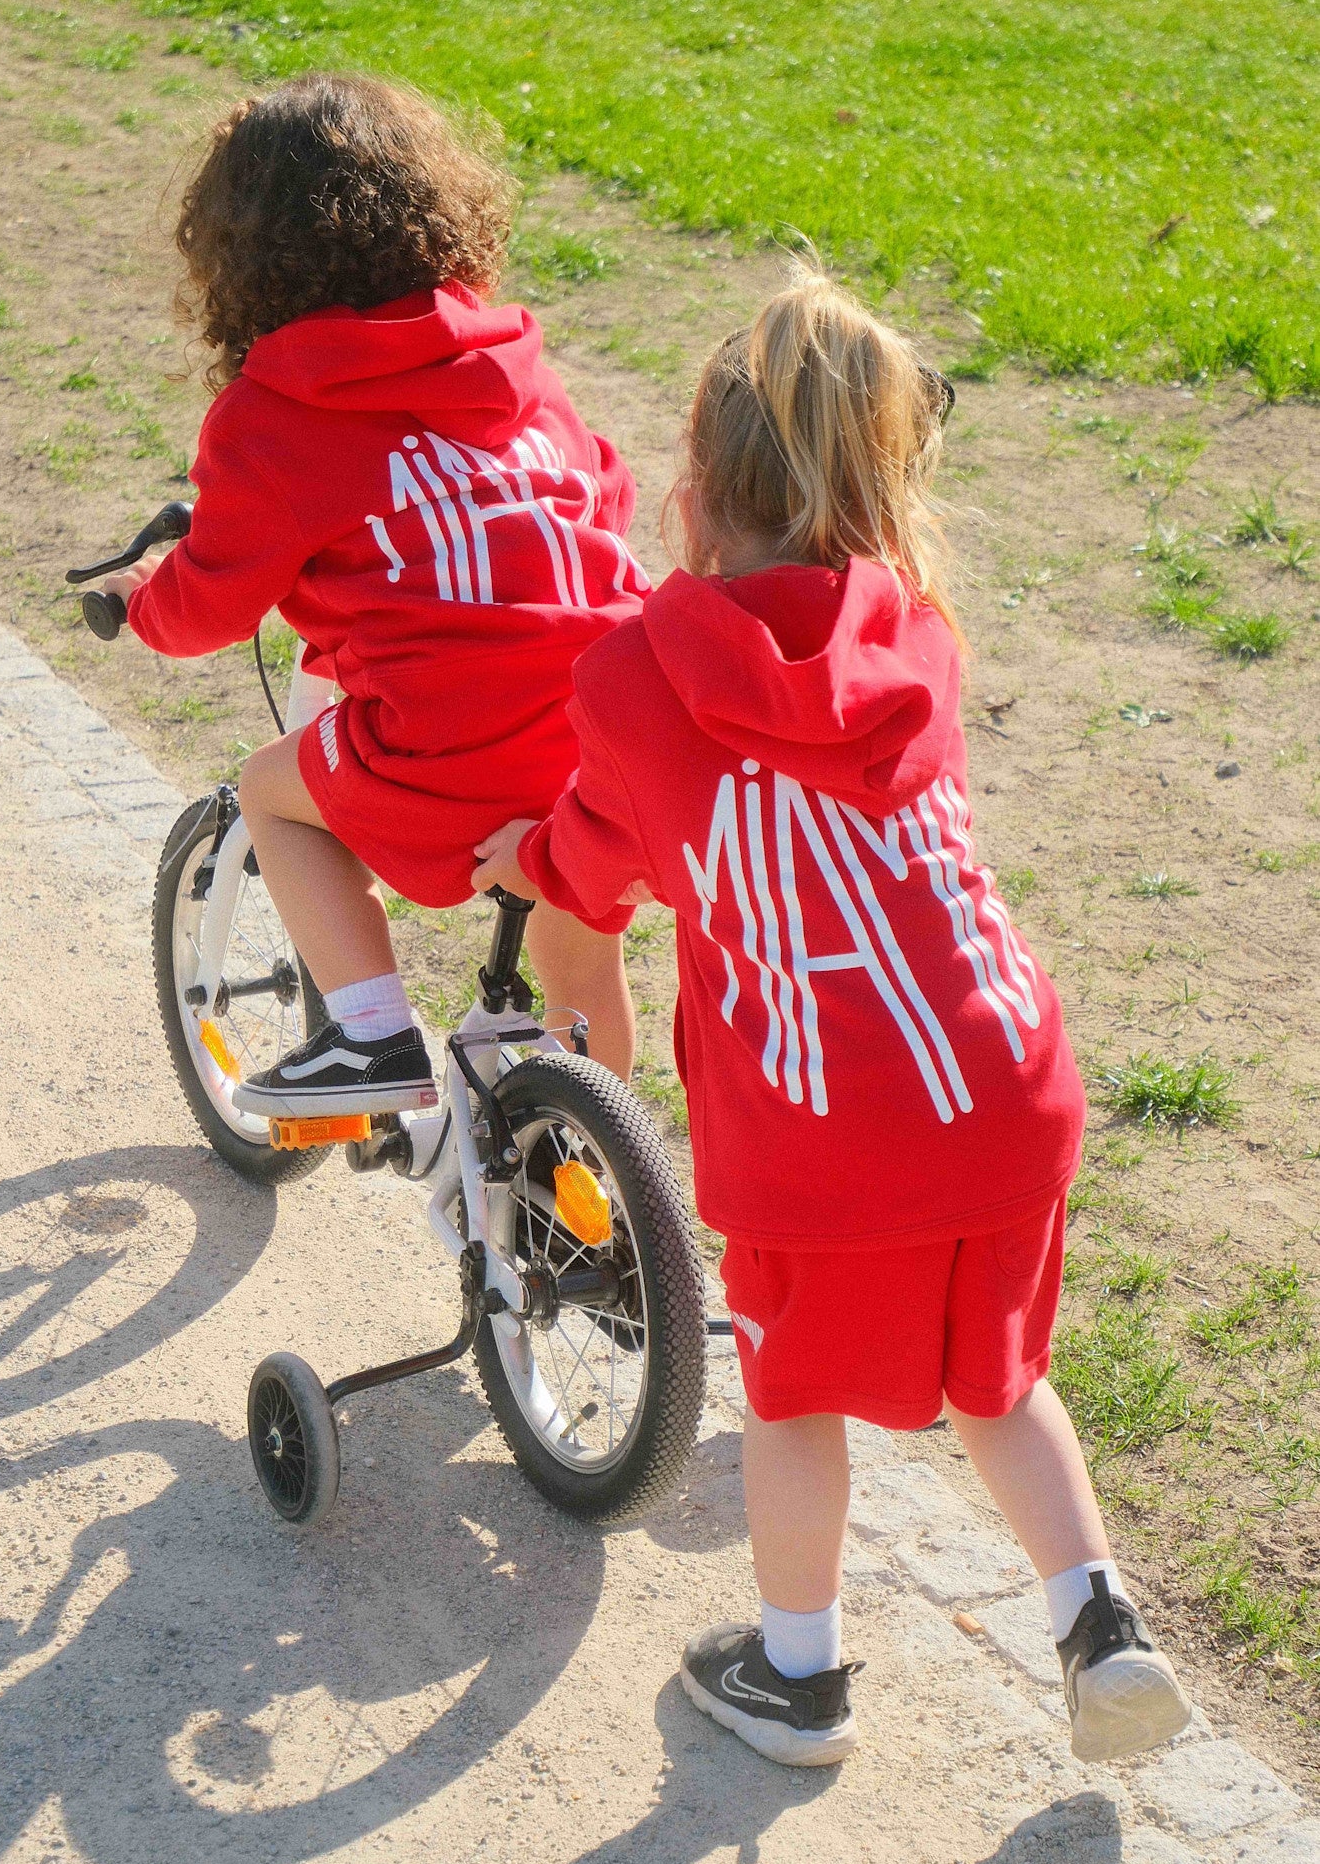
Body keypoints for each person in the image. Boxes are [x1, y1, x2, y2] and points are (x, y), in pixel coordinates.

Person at [471, 272, 1192, 1769]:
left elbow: (594, 860)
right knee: (1001, 1379)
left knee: (792, 1398)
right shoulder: (914, 637)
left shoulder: (634, 680)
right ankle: (1099, 1621)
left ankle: (796, 1677)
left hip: (821, 1122)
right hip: (1006, 1082)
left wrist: (525, 860)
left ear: (692, 491)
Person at [104, 73, 645, 1112]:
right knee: (582, 965)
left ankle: (370, 1037)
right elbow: (604, 492)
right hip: (605, 725)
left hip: (452, 742)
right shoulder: (510, 357)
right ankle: (594, 1171)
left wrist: (142, 603)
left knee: (274, 792)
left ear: (241, 251)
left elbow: (211, 599)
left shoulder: (275, 416)